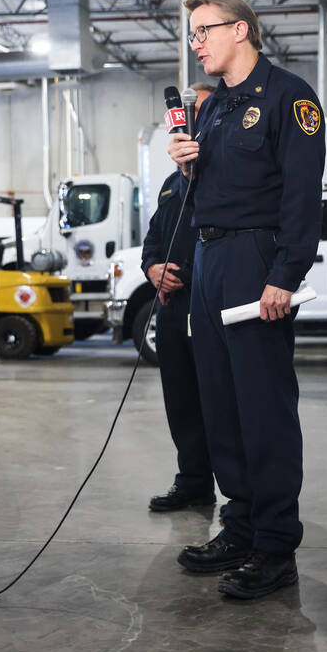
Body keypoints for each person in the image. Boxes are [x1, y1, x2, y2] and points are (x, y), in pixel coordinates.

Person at [168, 0, 325, 600]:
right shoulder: (211, 109)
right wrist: (185, 165)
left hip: (256, 259)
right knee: (221, 404)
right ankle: (239, 526)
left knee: (262, 405)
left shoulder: (290, 97)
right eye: (191, 35)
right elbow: (214, 186)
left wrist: (285, 274)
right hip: (209, 259)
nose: (196, 43)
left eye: (203, 31)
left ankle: (275, 544)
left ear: (241, 30)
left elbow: (302, 195)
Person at [145, 82, 216, 513]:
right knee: (182, 401)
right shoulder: (173, 184)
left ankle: (239, 497)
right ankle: (192, 482)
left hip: (211, 305)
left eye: (202, 111)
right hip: (174, 309)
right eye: (189, 112)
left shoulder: (224, 177)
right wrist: (153, 268)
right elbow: (154, 240)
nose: (192, 119)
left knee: (220, 404)